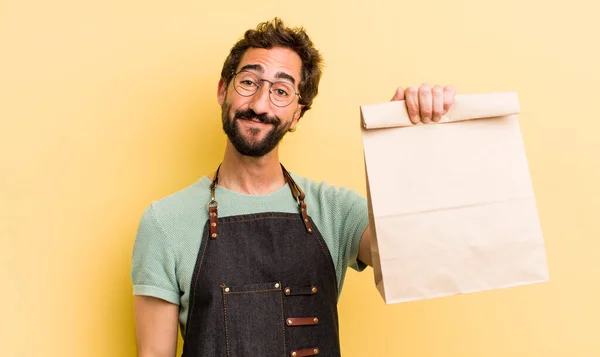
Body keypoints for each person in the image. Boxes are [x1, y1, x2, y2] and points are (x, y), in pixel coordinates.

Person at [131, 18, 456, 357]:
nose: (259, 104)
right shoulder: (165, 222)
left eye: (281, 91)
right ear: (222, 91)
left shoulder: (336, 211)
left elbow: (411, 255)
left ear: (298, 114)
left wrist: (410, 139)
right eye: (248, 82)